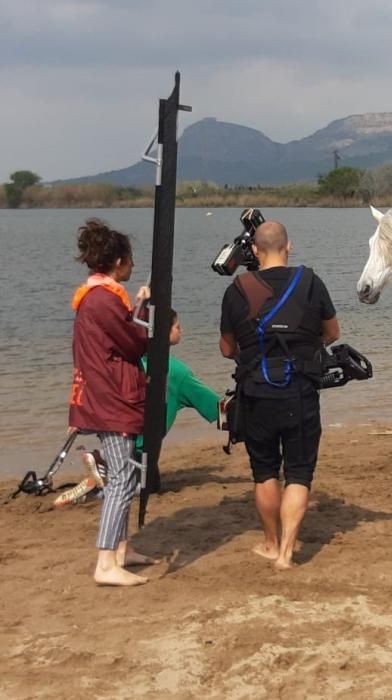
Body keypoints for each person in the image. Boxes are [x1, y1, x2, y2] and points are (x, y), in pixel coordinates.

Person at [219, 220, 339, 570]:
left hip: (255, 393)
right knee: (299, 473)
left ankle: (271, 544)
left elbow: (227, 348)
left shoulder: (236, 289)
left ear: (254, 252)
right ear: (288, 247)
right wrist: (306, 345)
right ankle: (287, 553)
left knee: (265, 472)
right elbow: (332, 332)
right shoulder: (311, 282)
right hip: (299, 391)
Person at [68, 218, 157, 586]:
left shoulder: (97, 296)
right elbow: (135, 343)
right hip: (111, 400)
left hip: (106, 395)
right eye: (130, 259)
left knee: (129, 471)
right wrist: (143, 308)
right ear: (119, 261)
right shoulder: (104, 300)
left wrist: (134, 310)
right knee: (121, 477)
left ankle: (122, 548)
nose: (132, 265)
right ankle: (106, 561)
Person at [56, 309, 219, 505]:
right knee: (144, 488)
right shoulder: (177, 373)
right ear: (162, 333)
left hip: (116, 435)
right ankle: (98, 486)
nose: (181, 330)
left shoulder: (129, 363)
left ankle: (103, 461)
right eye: (177, 326)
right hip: (141, 448)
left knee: (149, 478)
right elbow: (214, 406)